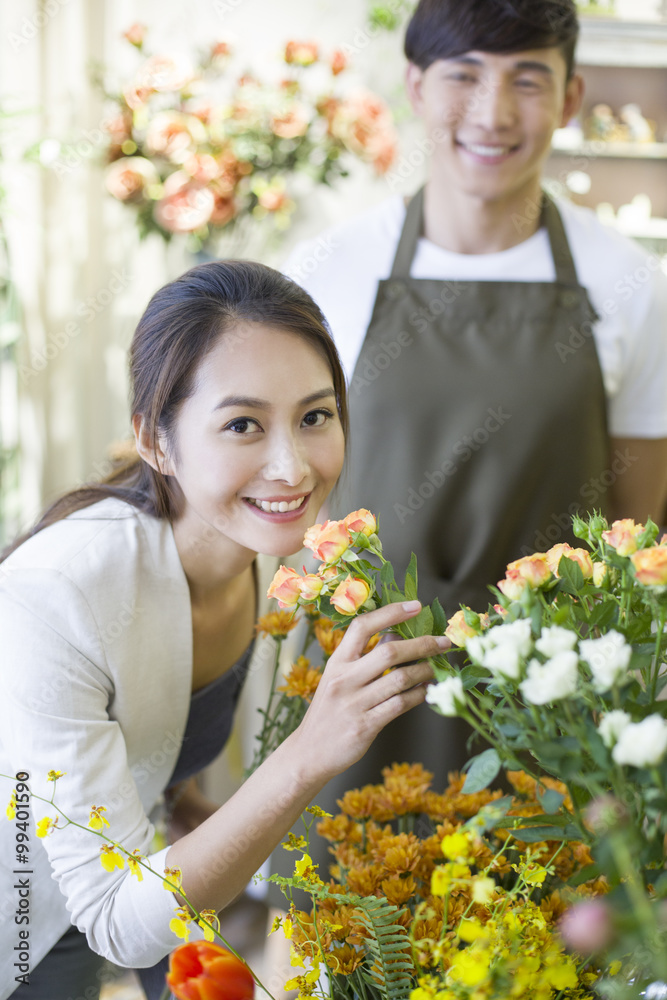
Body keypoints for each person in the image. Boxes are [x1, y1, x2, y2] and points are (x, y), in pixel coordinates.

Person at [275, 0, 667, 876]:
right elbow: (284, 497)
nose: (492, 113)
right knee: (355, 934)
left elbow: (636, 534)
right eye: (463, 76)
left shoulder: (633, 286)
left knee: (540, 942)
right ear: (416, 87)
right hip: (368, 681)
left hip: (550, 698)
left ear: (569, 98)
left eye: (526, 78)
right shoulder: (324, 274)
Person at [0, 260, 448, 1000]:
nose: (291, 466)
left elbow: (150, 748)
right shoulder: (59, 595)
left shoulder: (260, 558)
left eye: (314, 416)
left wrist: (207, 822)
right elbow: (121, 919)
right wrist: (309, 752)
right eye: (242, 424)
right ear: (155, 439)